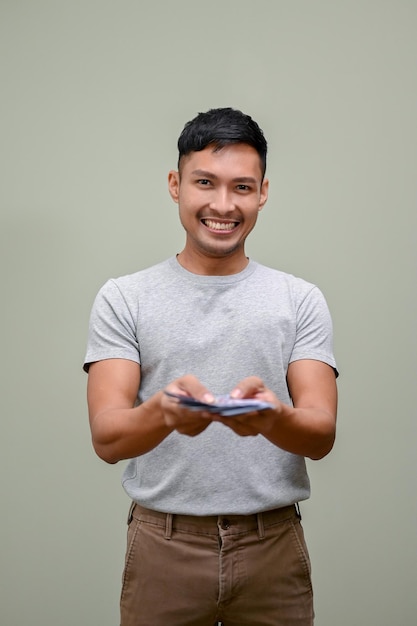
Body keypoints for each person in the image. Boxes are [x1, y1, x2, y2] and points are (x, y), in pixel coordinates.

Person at [84, 107, 338, 626]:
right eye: (205, 182)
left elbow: (321, 434)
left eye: (242, 187)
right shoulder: (124, 298)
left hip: (274, 546)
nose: (223, 205)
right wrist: (163, 413)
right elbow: (107, 438)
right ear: (176, 184)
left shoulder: (301, 299)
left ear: (263, 192)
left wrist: (273, 418)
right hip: (163, 545)